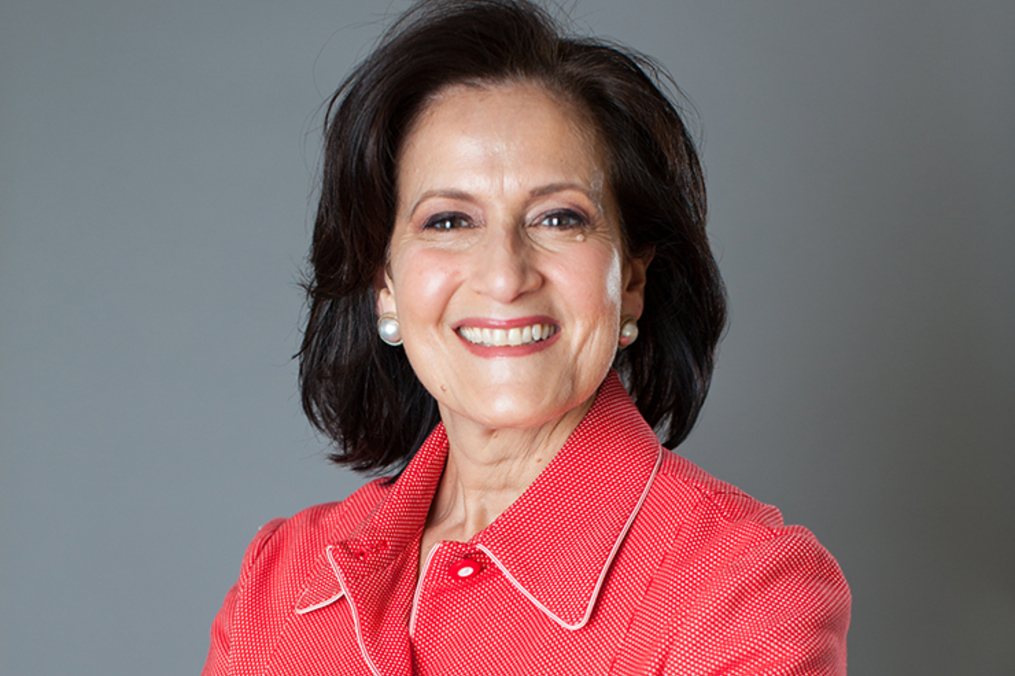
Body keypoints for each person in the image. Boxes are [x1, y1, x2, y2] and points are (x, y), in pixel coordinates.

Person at [202, 1, 850, 674]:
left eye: (558, 218)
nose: (505, 276)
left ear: (630, 278)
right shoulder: (279, 580)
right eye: (449, 221)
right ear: (384, 284)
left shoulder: (745, 589)